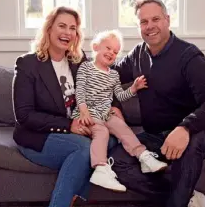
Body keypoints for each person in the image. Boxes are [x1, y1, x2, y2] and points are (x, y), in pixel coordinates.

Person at [110, 0, 205, 207]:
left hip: (196, 132)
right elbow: (109, 76)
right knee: (115, 162)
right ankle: (189, 198)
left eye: (155, 19)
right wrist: (112, 103)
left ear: (167, 20)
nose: (150, 26)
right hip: (155, 136)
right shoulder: (137, 54)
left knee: (189, 146)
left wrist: (185, 128)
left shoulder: (188, 55)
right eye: (143, 22)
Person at [12, 6, 117, 207]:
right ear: (49, 28)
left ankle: (68, 205)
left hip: (76, 132)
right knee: (83, 148)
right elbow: (24, 116)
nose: (67, 32)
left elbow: (104, 90)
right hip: (38, 136)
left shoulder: (79, 63)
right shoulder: (28, 65)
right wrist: (68, 125)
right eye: (62, 25)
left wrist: (115, 109)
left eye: (73, 28)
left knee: (109, 140)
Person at [71, 30, 168, 192]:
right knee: (101, 132)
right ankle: (101, 168)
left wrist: (134, 88)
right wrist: (83, 110)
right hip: (87, 114)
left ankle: (143, 157)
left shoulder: (114, 75)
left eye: (115, 52)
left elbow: (121, 96)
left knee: (122, 127)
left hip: (106, 113)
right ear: (95, 47)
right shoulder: (85, 68)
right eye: (108, 48)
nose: (111, 53)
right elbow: (79, 91)